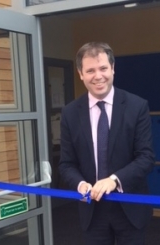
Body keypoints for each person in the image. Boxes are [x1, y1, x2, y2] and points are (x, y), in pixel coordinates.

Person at [58, 42, 155, 245]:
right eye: (90, 70)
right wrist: (80, 183)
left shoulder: (137, 106)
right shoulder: (70, 113)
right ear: (80, 74)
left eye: (103, 68)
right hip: (92, 210)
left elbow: (146, 157)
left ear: (113, 68)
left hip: (129, 207)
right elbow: (66, 164)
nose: (98, 76)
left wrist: (114, 180)